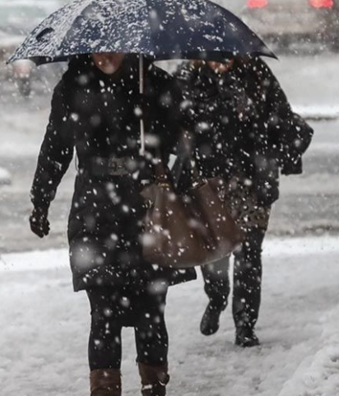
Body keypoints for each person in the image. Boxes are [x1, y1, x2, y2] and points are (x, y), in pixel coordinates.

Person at [30, 52, 195, 396]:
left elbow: (187, 142)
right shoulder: (73, 87)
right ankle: (105, 390)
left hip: (148, 209)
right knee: (104, 312)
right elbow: (56, 148)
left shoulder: (155, 84)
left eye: (114, 46)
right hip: (96, 213)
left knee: (151, 310)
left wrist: (154, 128)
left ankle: (154, 385)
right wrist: (40, 200)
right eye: (98, 47)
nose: (106, 54)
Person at [174, 57, 312, 348]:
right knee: (214, 254)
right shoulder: (188, 77)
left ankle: (245, 324)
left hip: (252, 180)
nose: (221, 62)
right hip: (208, 181)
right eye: (214, 56)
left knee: (249, 254)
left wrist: (259, 121)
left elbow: (281, 116)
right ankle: (217, 297)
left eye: (226, 56)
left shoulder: (256, 72)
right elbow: (172, 125)